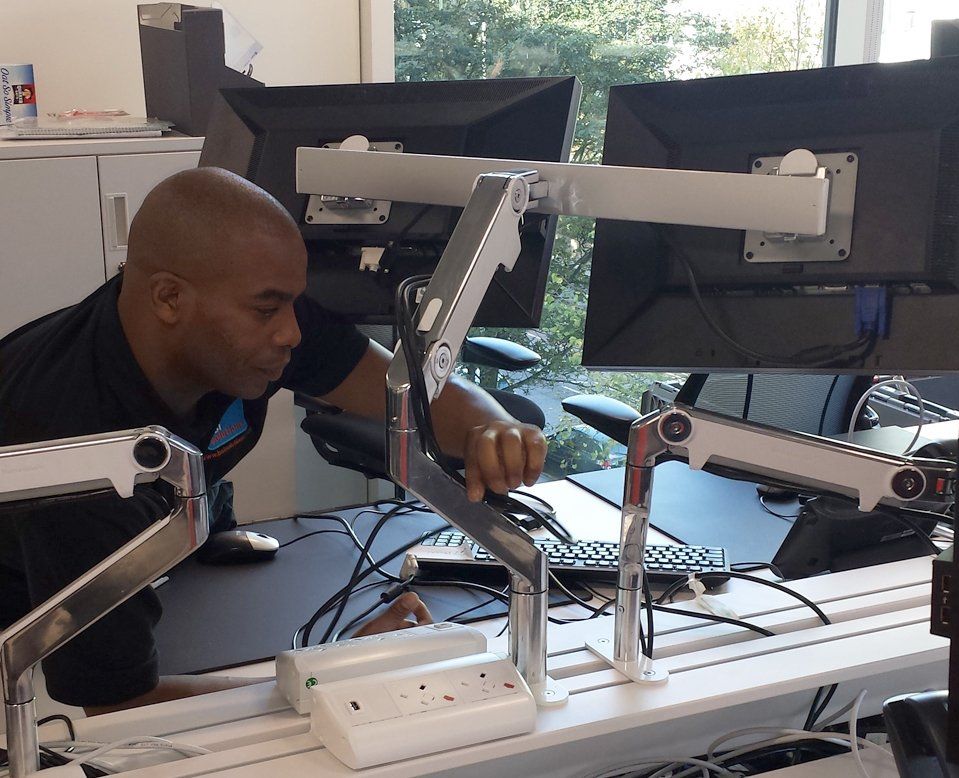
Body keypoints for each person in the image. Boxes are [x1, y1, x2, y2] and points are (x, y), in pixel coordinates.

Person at [0, 167, 548, 714]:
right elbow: (121, 706)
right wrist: (332, 673)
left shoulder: (247, 321)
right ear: (168, 298)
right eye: (267, 310)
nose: (291, 332)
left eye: (291, 304)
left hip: (133, 565)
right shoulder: (84, 458)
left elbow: (404, 393)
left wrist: (491, 425)